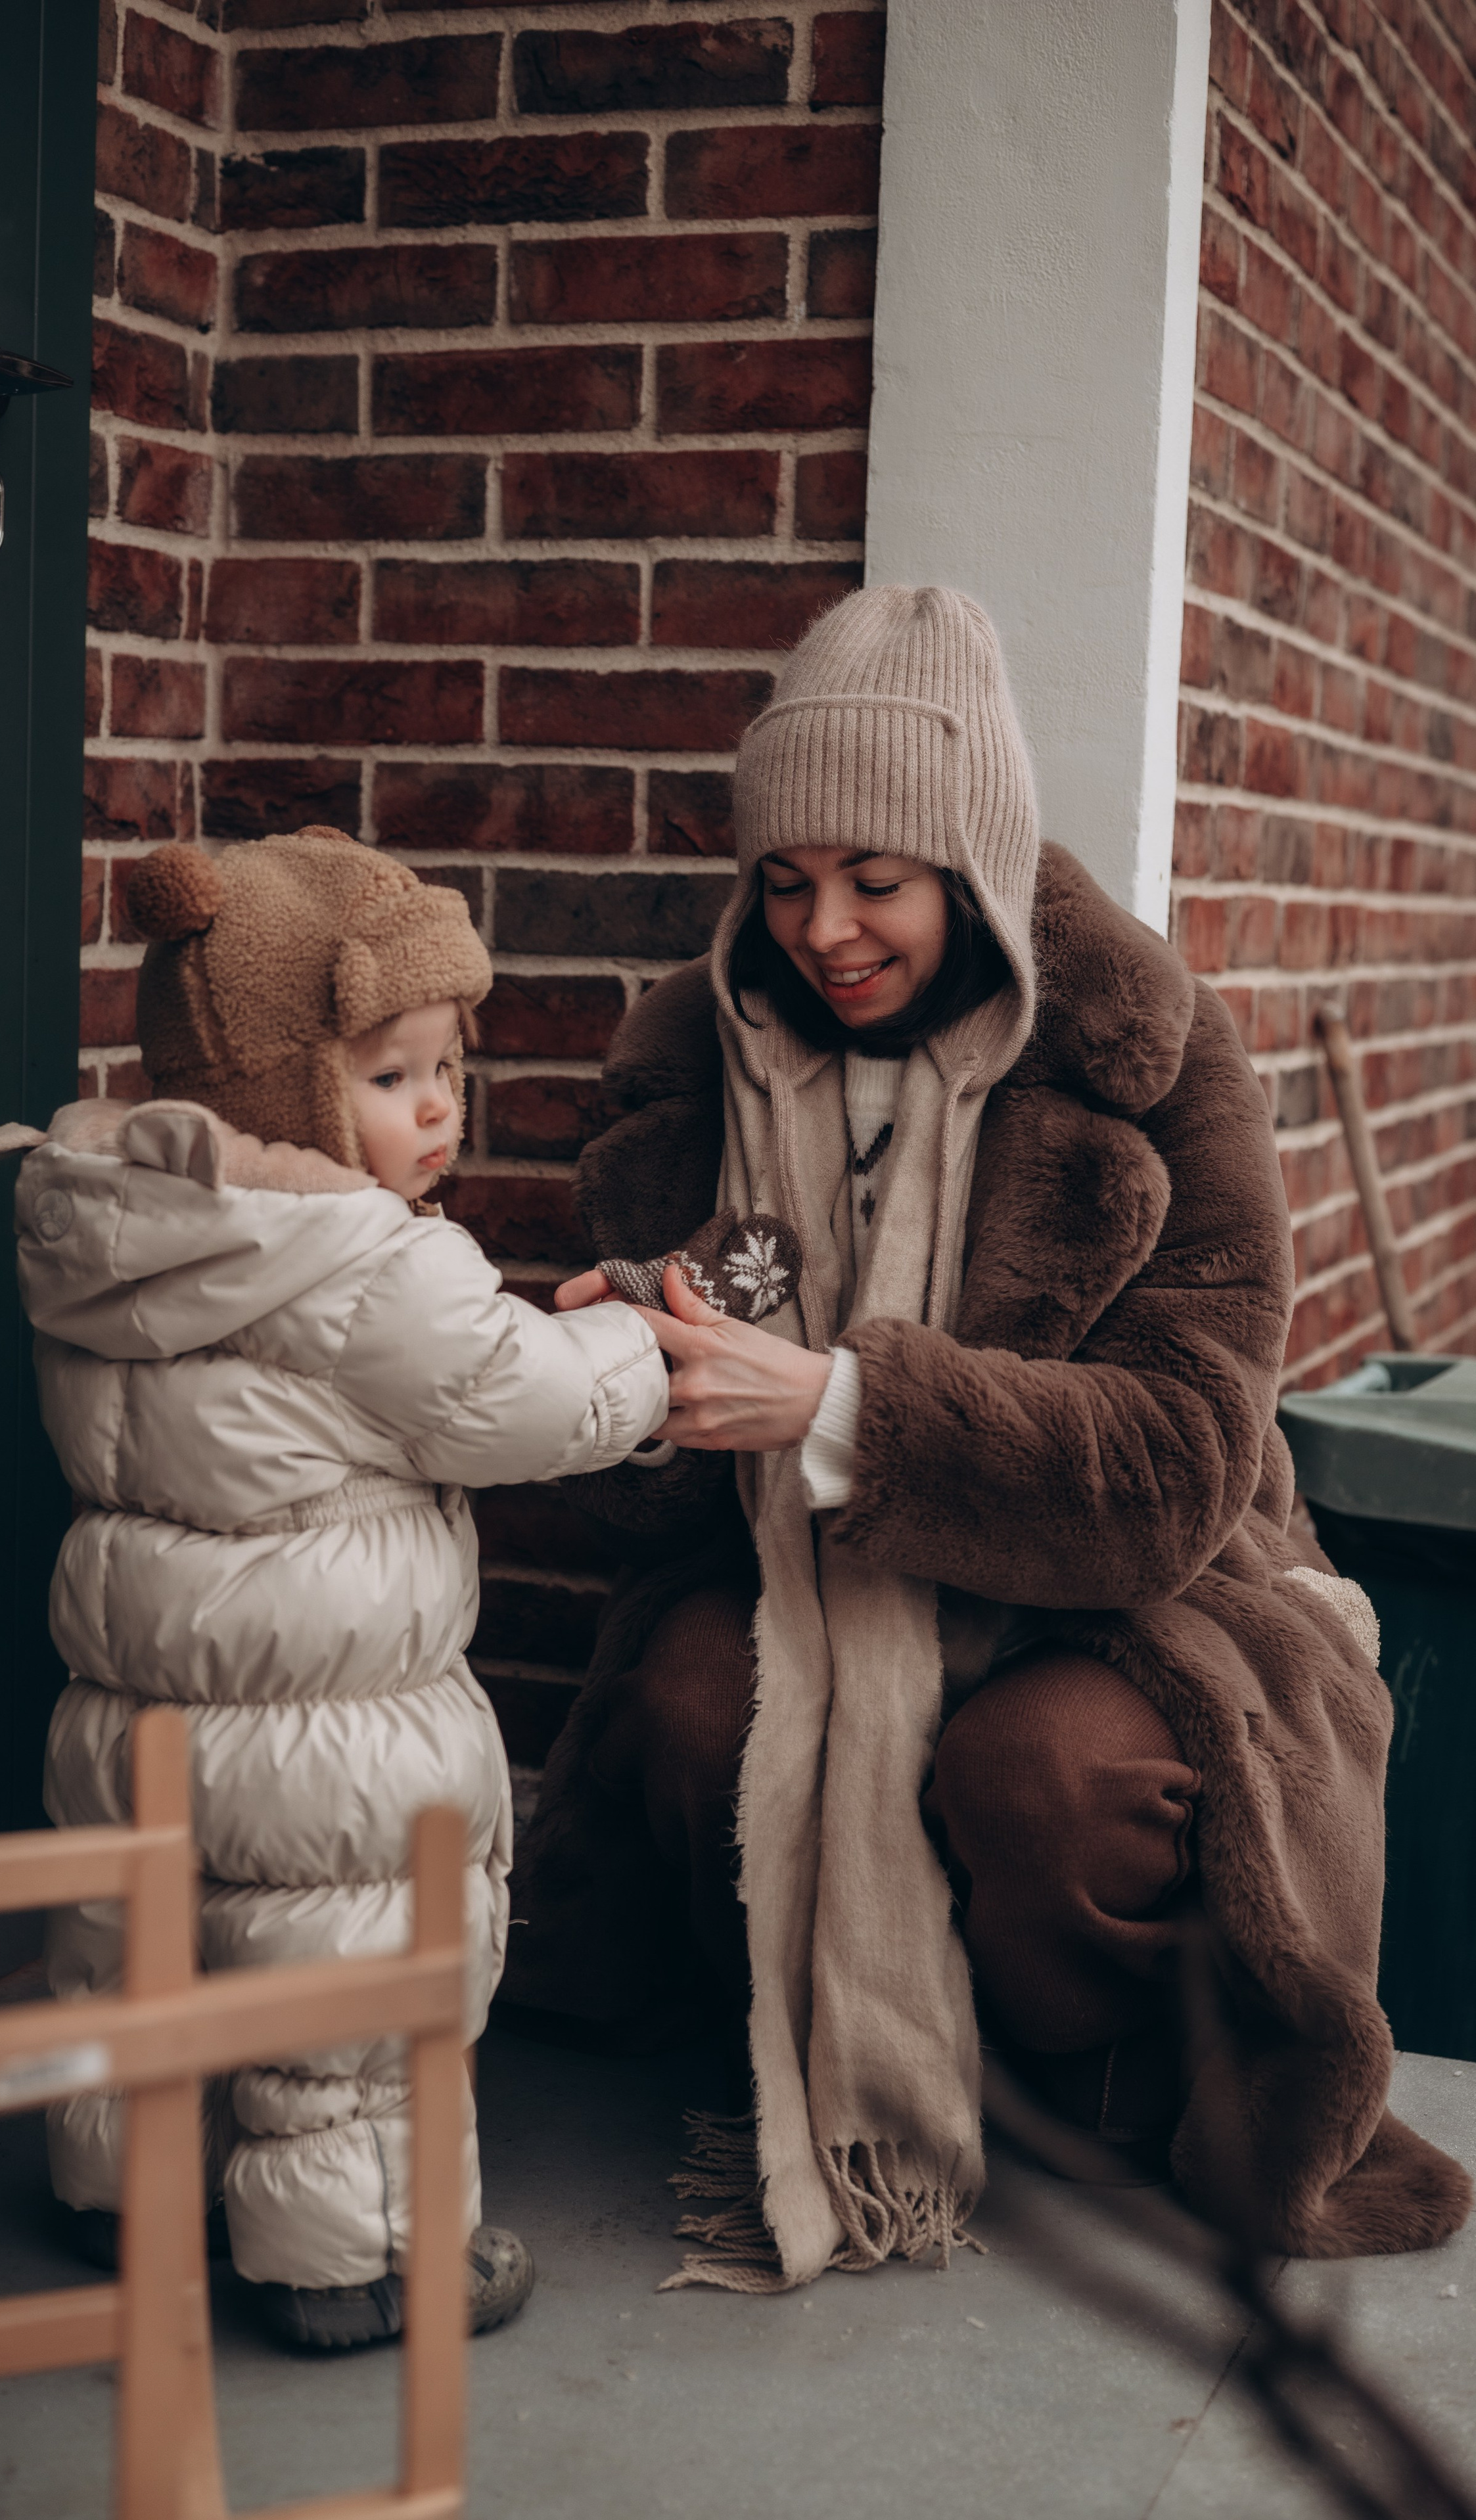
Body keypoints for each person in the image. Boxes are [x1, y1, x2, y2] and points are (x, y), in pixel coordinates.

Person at [501, 585, 1472, 2290]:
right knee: (680, 1697)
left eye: (876, 881)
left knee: (1045, 1780)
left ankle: (1091, 2085)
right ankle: (809, 2026)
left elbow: (1176, 1461)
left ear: (974, 863)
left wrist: (846, 1410)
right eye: (785, 881)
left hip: (1132, 1593)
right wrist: (634, 1382)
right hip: (817, 1573)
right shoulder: (707, 1062)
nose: (824, 929)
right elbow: (660, 1513)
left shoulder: (1153, 1066)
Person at [0, 827, 668, 2348]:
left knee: (143, 1942)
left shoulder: (111, 1222)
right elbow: (520, 1402)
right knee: (342, 1979)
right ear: (284, 1088)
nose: (436, 1107)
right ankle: (352, 2264)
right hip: (327, 1722)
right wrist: (640, 1348)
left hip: (136, 1703)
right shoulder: (369, 1261)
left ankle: (129, 2200)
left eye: (445, 1066)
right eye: (389, 1073)